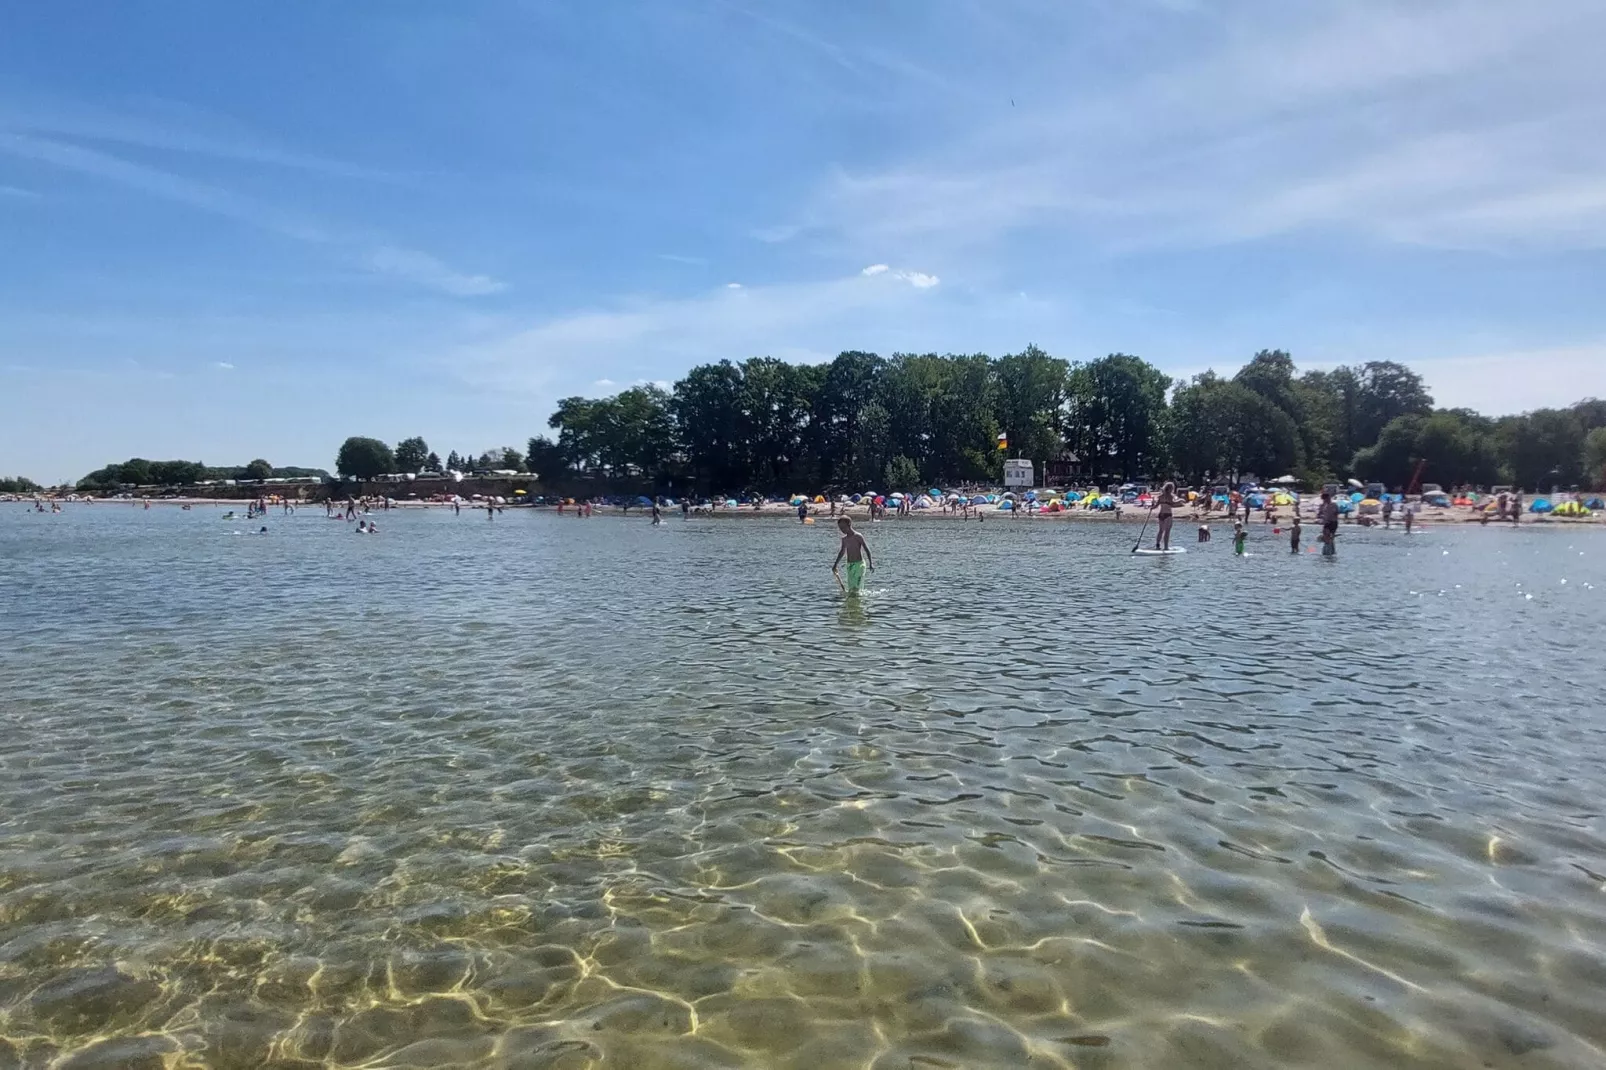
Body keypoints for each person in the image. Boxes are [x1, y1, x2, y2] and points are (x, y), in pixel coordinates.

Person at [832, 517, 873, 594]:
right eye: (840, 528)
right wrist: (835, 564)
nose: (842, 530)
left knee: (856, 588)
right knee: (851, 589)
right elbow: (842, 552)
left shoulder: (858, 536)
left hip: (859, 565)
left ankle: (858, 602)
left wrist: (871, 563)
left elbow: (867, 549)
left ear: (849, 524)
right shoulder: (844, 539)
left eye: (843, 527)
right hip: (850, 565)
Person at [1154, 481, 1182, 550]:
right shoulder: (1170, 496)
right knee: (1167, 531)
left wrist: (1152, 507)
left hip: (1161, 514)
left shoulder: (1160, 496)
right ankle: (1166, 547)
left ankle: (1157, 545)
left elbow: (1156, 506)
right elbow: (1172, 504)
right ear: (1171, 489)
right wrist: (1180, 500)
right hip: (1168, 515)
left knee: (1160, 530)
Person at [1317, 490, 1339, 557]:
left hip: (1333, 522)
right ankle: (1327, 550)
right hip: (1327, 523)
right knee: (1326, 536)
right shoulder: (1323, 506)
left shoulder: (1334, 505)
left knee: (1331, 537)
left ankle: (1331, 551)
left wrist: (1329, 515)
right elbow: (1319, 514)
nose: (1325, 500)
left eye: (1326, 498)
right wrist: (1322, 517)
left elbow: (1336, 513)